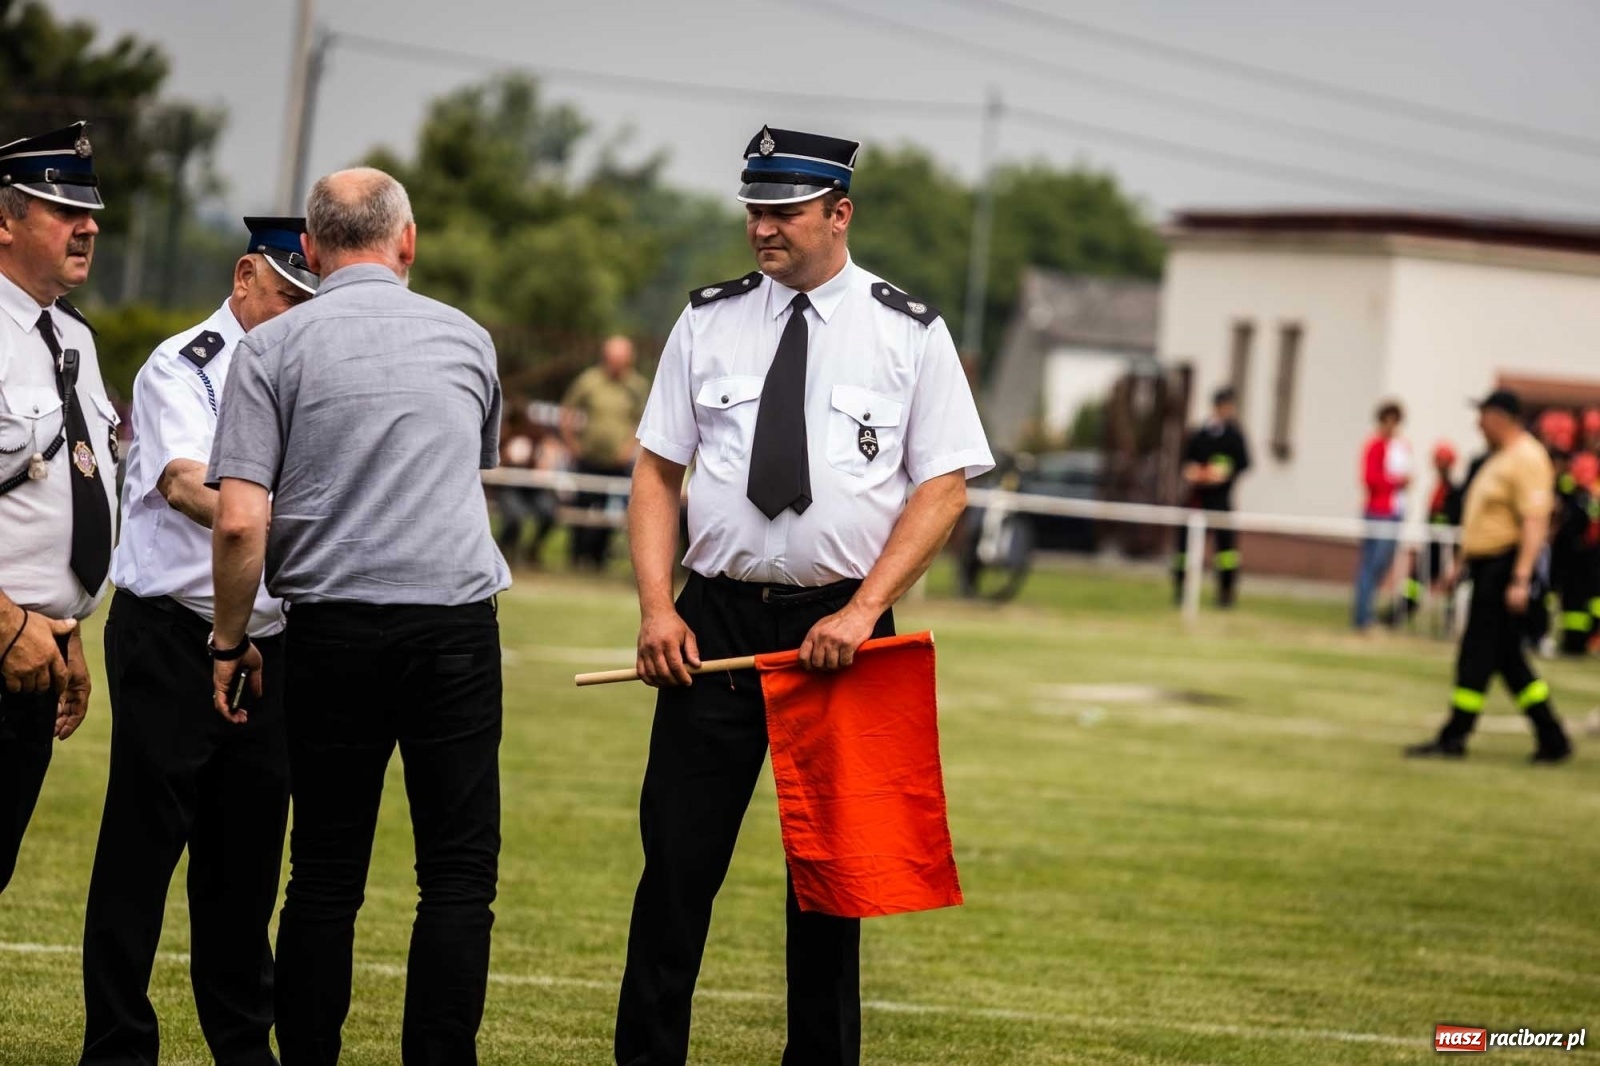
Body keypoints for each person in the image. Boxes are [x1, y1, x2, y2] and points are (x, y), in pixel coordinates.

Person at [615, 125, 993, 1066]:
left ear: (840, 213)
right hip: (714, 624)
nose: (762, 229)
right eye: (754, 210)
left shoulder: (909, 333)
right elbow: (658, 471)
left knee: (832, 885)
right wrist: (660, 608)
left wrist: (863, 611)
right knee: (675, 874)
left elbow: (944, 485)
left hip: (844, 636)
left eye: (783, 212)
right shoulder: (707, 320)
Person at [207, 168, 510, 1065]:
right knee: (456, 874)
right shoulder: (468, 339)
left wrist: (229, 641)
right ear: (406, 242)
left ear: (307, 249)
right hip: (453, 625)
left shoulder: (269, 350)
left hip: (332, 626)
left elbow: (236, 519)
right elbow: (469, 464)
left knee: (325, 872)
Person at [79, 217, 318, 1066]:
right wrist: (299, 528)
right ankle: (116, 1046)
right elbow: (185, 484)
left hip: (270, 640)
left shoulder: (306, 375)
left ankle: (243, 1048)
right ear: (246, 275)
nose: (294, 316)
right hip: (173, 637)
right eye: (287, 297)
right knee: (140, 856)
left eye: (309, 303)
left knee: (246, 865)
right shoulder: (184, 365)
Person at [0, 122, 114, 895]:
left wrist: (65, 629)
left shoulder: (70, 334)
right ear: (3, 220)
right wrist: (7, 623)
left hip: (37, 656)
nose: (89, 226)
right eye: (59, 208)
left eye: (90, 211)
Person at [1406, 389, 1572, 763]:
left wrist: (1520, 578)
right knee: (1507, 661)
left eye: (1482, 415)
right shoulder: (1500, 458)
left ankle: (1456, 735)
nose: (1478, 423)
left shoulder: (1527, 459)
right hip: (1486, 566)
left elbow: (1534, 521)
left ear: (1500, 416)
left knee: (1478, 654)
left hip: (1504, 567)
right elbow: (1484, 520)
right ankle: (1551, 738)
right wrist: (1460, 566)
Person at [562, 334, 649, 569]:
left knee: (619, 511)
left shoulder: (636, 386)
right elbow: (568, 410)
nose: (617, 365)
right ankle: (575, 556)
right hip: (587, 457)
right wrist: (572, 444)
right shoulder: (589, 380)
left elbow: (643, 420)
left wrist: (630, 447)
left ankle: (598, 558)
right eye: (613, 359)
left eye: (621, 360)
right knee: (581, 506)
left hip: (618, 461)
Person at [1173, 386, 1251, 607]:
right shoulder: (1199, 434)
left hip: (1221, 500)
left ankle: (1225, 593)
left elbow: (1244, 463)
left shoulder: (1235, 436)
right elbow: (1187, 463)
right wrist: (1195, 473)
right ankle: (1181, 590)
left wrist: (1225, 474)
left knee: (1226, 550)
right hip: (1197, 498)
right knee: (1185, 547)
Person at [1385, 441, 1461, 627]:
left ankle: (1448, 622)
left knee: (1450, 585)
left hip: (1446, 545)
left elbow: (1451, 518)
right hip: (1432, 543)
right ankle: (1399, 614)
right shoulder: (1439, 487)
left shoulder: (1454, 491)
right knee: (1415, 581)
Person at [1353, 401, 1412, 631]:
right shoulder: (1374, 446)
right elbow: (1369, 478)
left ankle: (1368, 611)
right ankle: (1362, 615)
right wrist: (1396, 482)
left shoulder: (1402, 446)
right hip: (1378, 511)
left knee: (1383, 564)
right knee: (1371, 564)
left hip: (1395, 511)